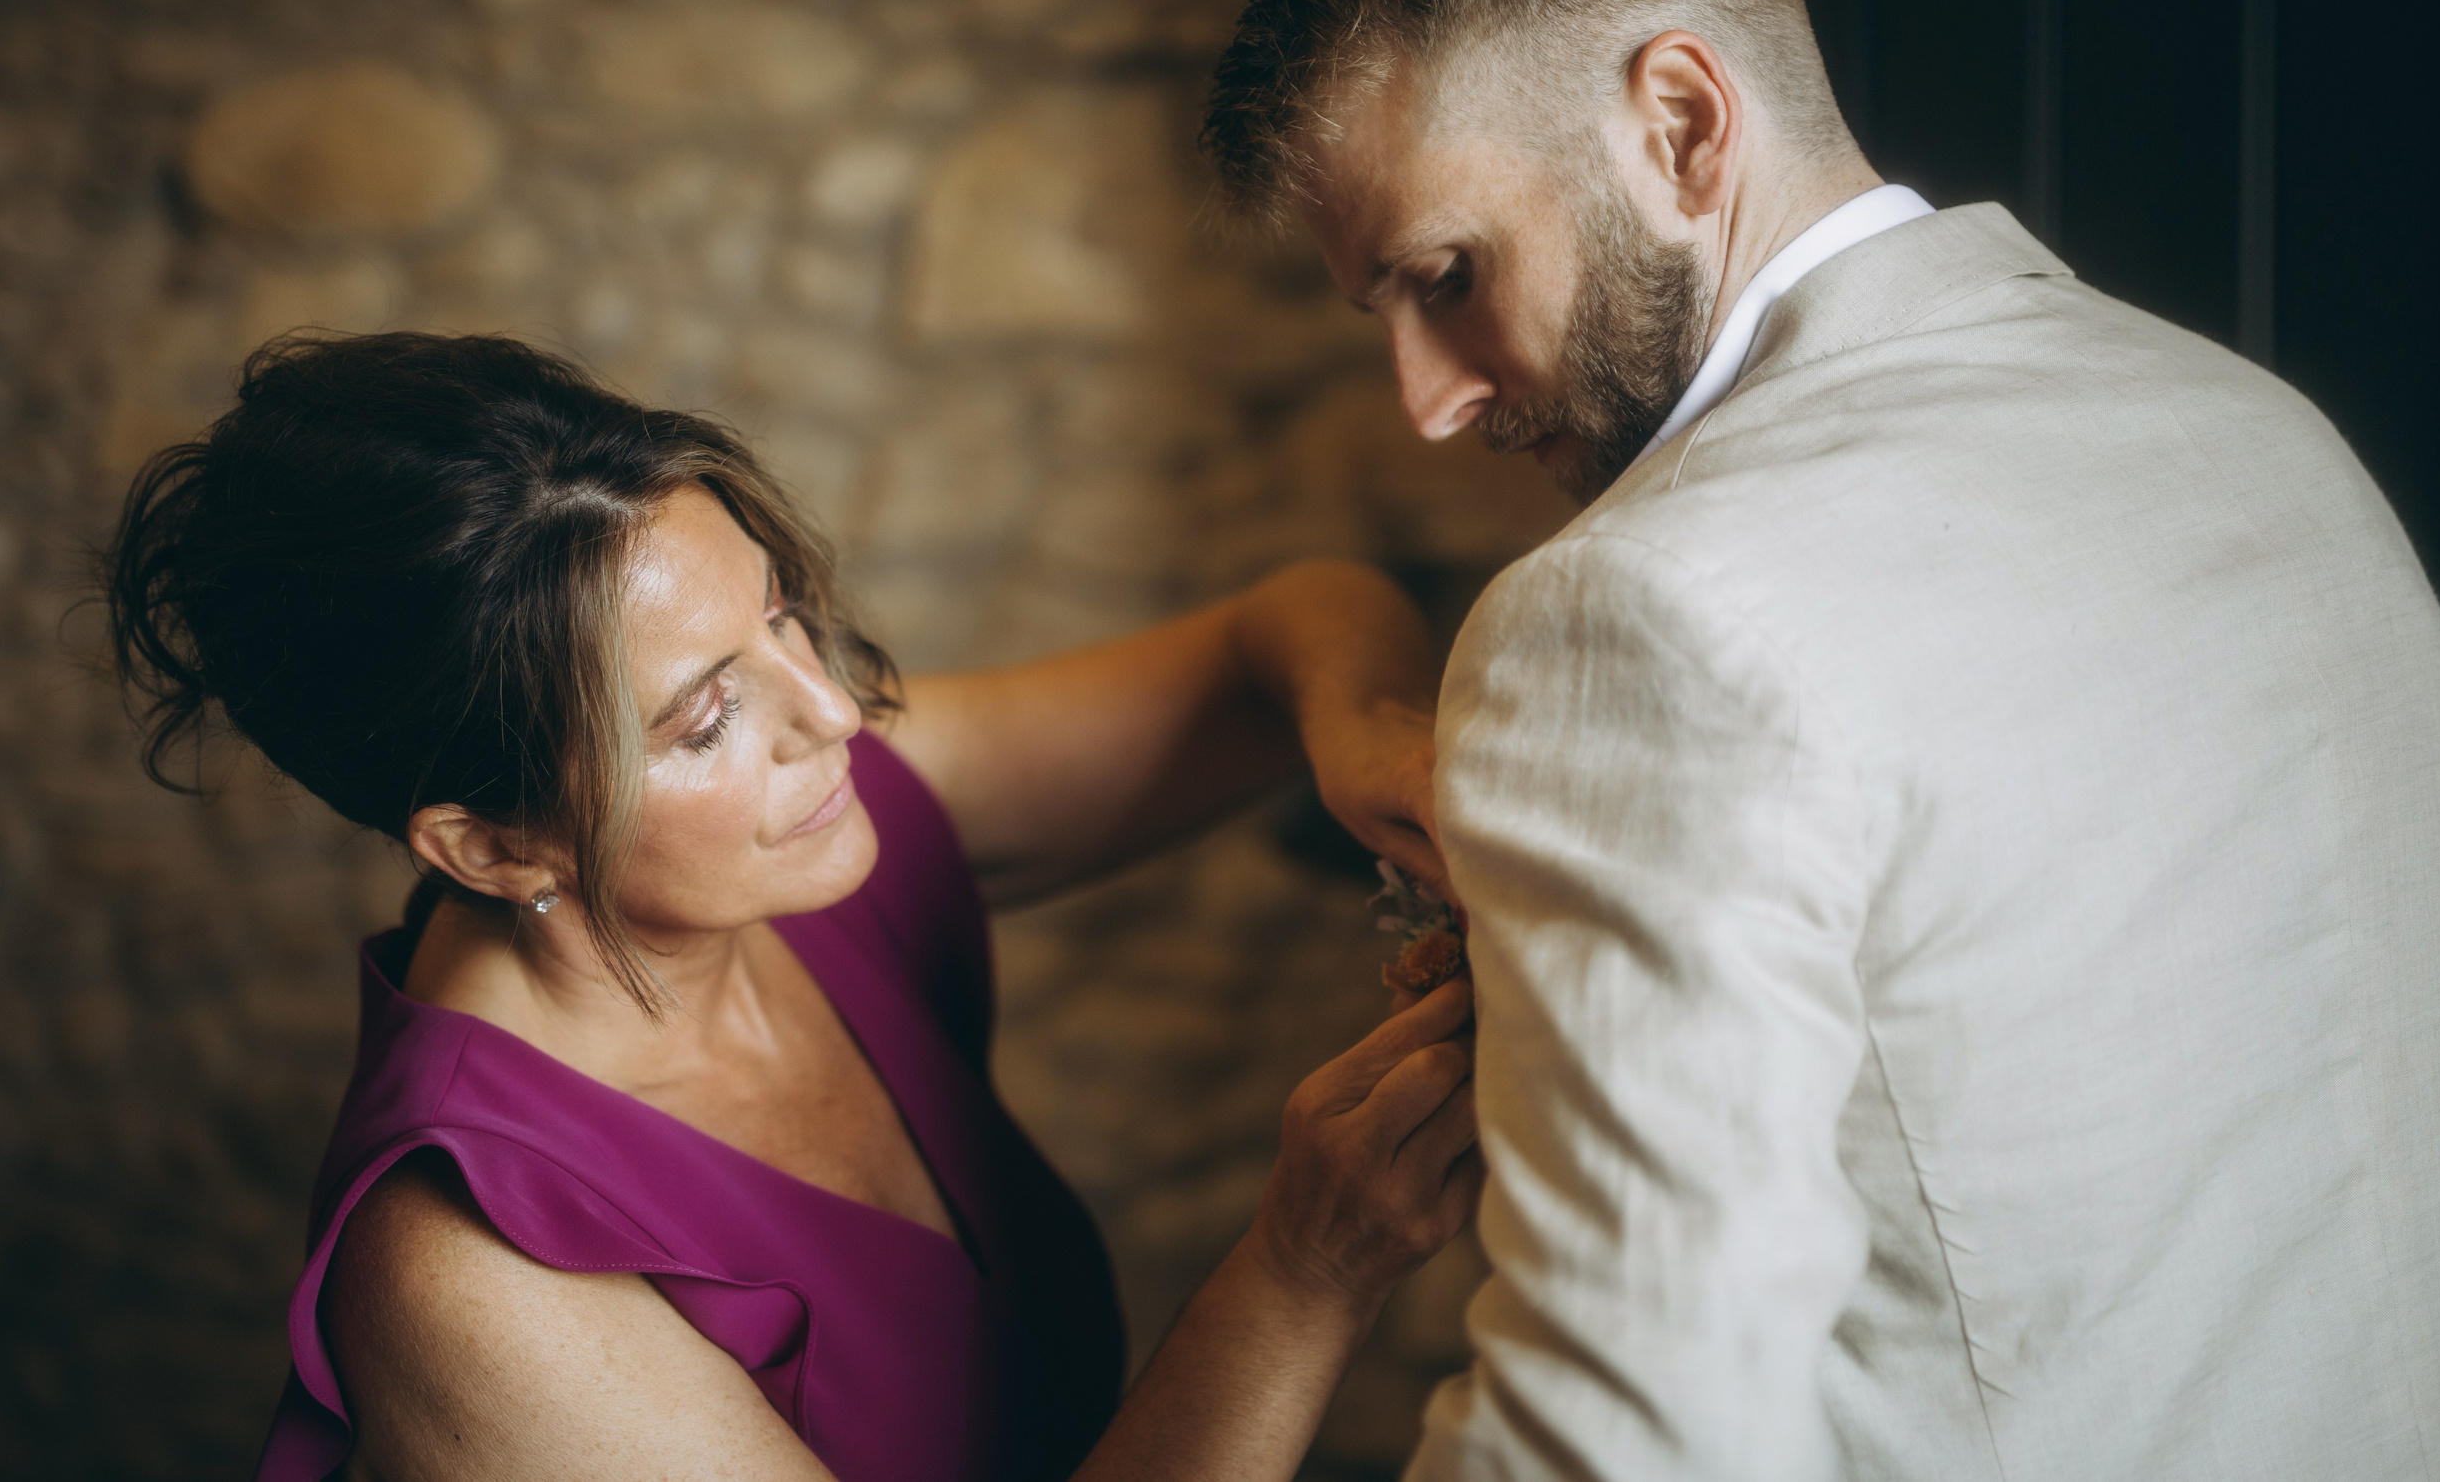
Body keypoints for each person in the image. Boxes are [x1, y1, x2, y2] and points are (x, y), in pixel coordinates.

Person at [1202, 0, 2440, 1477]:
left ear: (1682, 125)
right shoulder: (2261, 432)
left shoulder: (1629, 616)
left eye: (1451, 273)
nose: (1427, 404)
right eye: (1383, 311)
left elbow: (1618, 1446)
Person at [101, 331, 1483, 1482]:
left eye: (781, 616)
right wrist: (1307, 1271)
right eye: (705, 720)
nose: (830, 714)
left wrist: (1362, 732)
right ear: (492, 843)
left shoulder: (792, 833)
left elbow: (1288, 628)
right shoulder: (472, 1276)